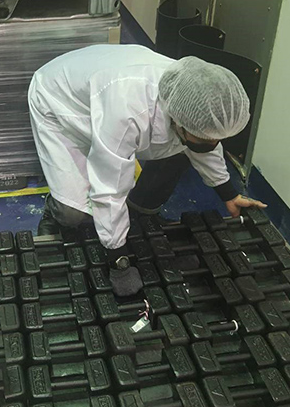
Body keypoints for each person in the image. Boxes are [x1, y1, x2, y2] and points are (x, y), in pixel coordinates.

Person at [28, 45, 266, 296]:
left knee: (183, 150)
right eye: (200, 137)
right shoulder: (128, 111)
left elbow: (206, 144)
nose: (210, 144)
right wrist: (118, 259)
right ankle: (54, 211)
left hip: (107, 91)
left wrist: (228, 194)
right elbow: (110, 188)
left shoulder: (190, 99)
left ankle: (141, 212)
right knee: (74, 214)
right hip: (62, 104)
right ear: (179, 120)